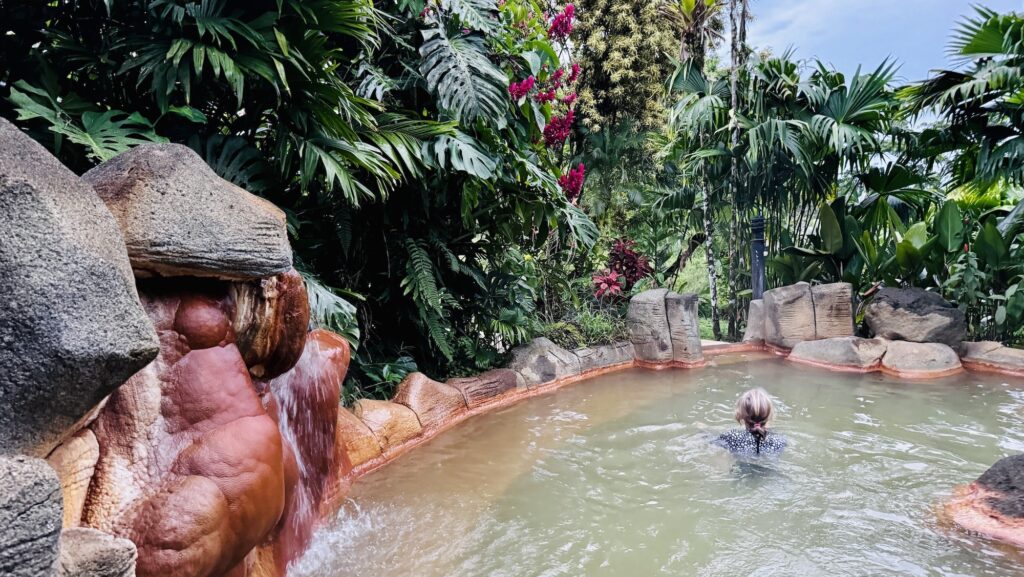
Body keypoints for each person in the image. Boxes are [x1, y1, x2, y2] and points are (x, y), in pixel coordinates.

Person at [713, 388, 787, 456]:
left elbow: (710, 440)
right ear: (769, 416)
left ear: (740, 415)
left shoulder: (731, 437)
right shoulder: (780, 440)